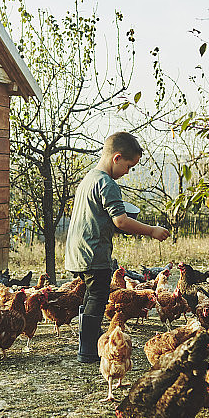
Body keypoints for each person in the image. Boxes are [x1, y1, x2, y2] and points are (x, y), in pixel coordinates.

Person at [65, 132, 170, 363]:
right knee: (97, 298)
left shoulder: (89, 179)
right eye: (129, 166)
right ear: (117, 157)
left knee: (90, 297)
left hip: (77, 251)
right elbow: (120, 220)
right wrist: (151, 230)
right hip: (94, 253)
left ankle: (86, 346)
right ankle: (89, 352)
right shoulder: (107, 183)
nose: (127, 172)